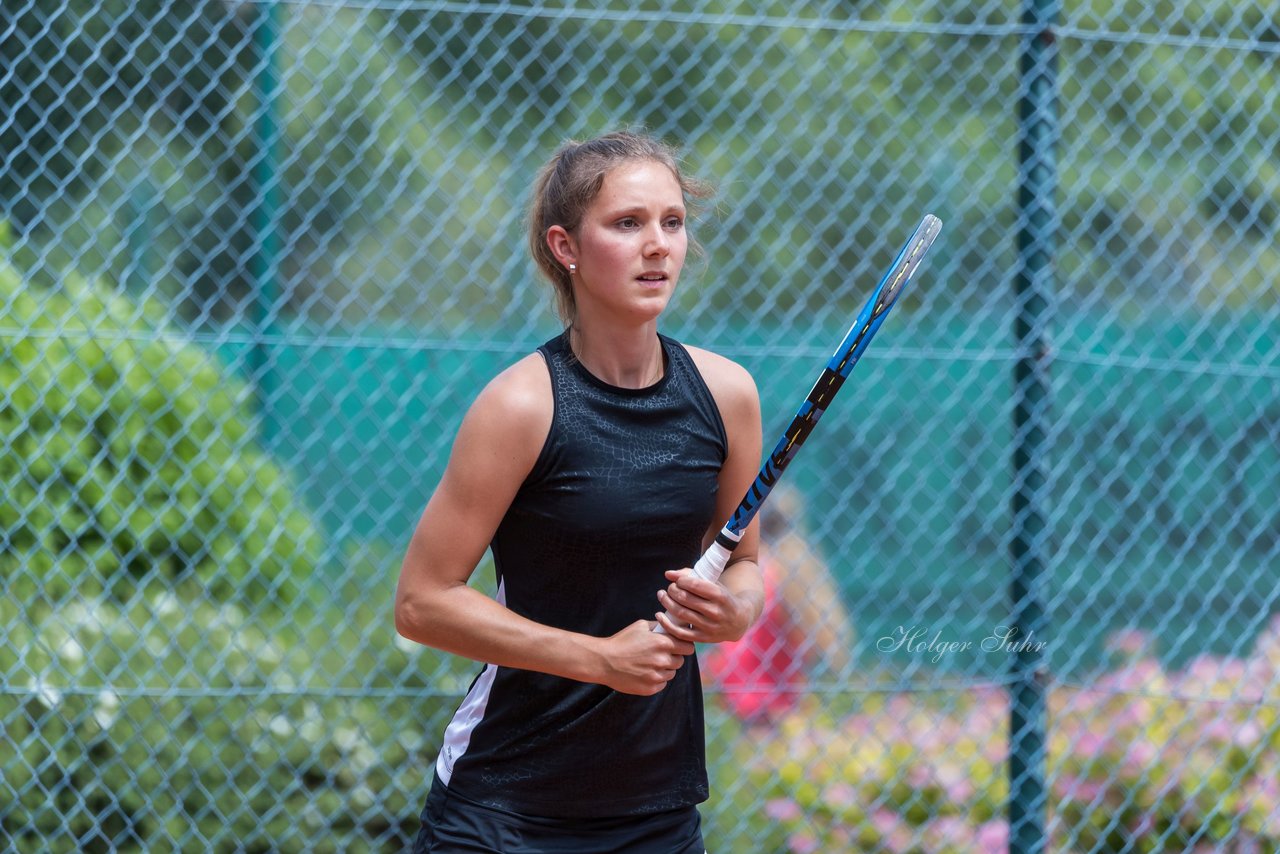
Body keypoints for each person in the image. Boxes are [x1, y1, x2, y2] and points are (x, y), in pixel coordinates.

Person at [394, 130, 765, 853]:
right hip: (503, 815)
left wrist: (736, 612)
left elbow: (744, 562)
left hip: (656, 814)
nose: (658, 244)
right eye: (628, 224)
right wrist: (597, 659)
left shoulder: (727, 395)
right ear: (565, 246)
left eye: (672, 221)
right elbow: (421, 602)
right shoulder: (521, 407)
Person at [700, 484, 855, 727]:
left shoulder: (753, 576)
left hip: (749, 707)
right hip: (786, 706)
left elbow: (736, 653)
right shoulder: (798, 569)